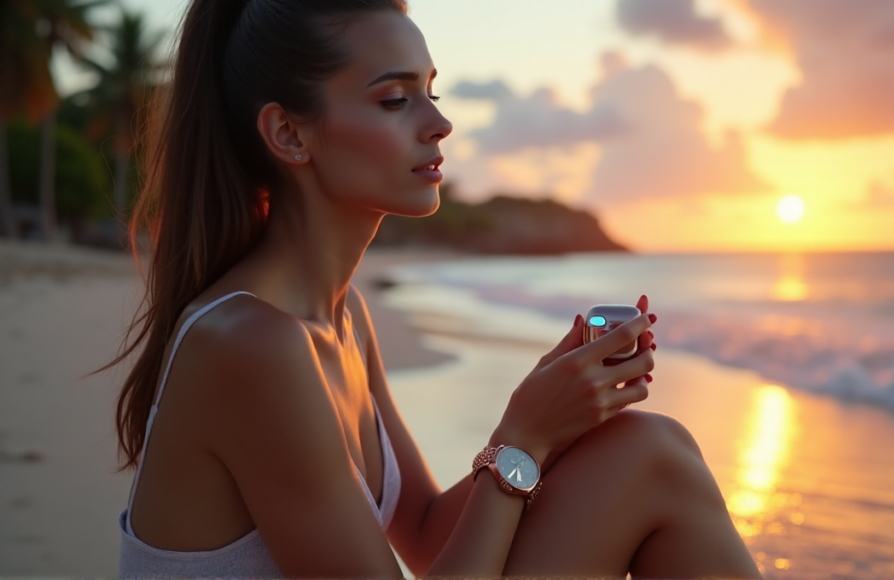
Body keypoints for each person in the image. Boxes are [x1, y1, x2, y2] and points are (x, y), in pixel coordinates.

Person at [104, 0, 762, 577]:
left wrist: (553, 416)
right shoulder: (251, 344)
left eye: (431, 93)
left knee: (650, 449)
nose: (438, 124)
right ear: (288, 133)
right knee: (654, 460)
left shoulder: (340, 318)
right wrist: (521, 440)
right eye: (395, 99)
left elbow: (421, 534)